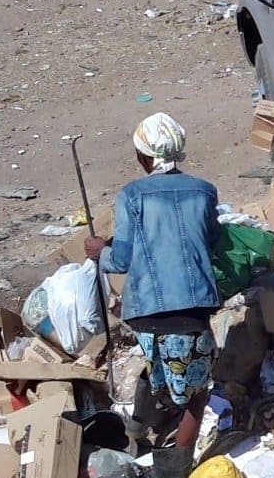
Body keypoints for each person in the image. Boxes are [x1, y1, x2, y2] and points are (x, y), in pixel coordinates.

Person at [84, 113, 221, 448]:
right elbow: (214, 241)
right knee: (195, 396)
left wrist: (98, 250)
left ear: (143, 158)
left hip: (144, 315)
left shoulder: (132, 195)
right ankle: (175, 473)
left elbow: (120, 260)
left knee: (158, 373)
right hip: (191, 313)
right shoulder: (204, 191)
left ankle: (141, 437)